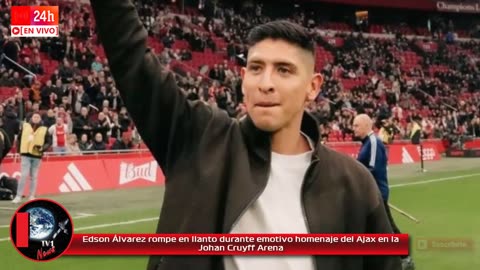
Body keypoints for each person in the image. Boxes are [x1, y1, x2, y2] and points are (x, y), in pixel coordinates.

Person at [90, 1, 402, 269]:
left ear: (313, 86)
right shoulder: (198, 140)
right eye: (256, 68)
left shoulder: (354, 183)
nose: (266, 83)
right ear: (243, 79)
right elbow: (130, 56)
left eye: (284, 70)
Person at [352, 114, 415, 270]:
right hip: (368, 193)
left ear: (367, 126)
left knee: (387, 226)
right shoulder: (366, 143)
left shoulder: (373, 142)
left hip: (376, 193)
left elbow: (371, 169)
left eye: (356, 125)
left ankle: (406, 258)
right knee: (371, 226)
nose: (353, 129)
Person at [12, 112, 52, 203]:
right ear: (31, 118)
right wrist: (18, 151)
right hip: (25, 154)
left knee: (34, 176)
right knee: (23, 175)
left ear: (40, 119)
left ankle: (31, 195)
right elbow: (19, 138)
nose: (36, 118)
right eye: (35, 116)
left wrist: (42, 148)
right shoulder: (25, 126)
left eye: (38, 117)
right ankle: (18, 196)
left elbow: (49, 142)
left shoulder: (44, 129)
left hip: (37, 155)